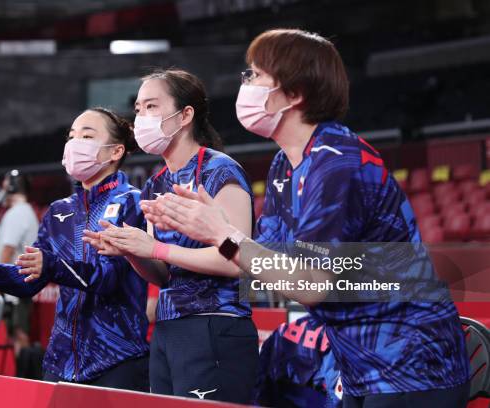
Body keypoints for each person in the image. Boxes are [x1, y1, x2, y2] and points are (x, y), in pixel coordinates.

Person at [144, 30, 470, 407]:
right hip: (359, 366)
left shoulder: (337, 162)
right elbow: (268, 260)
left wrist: (224, 236)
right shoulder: (285, 165)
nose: (244, 84)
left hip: (412, 364)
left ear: (295, 94)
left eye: (256, 75)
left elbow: (312, 285)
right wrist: (220, 228)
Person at [0, 107, 150, 391]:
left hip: (118, 360)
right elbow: (27, 279)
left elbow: (109, 278)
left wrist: (53, 265)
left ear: (115, 152)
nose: (74, 142)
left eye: (87, 135)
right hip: (61, 362)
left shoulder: (132, 202)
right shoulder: (59, 211)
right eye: (72, 136)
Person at [84, 69, 259, 404]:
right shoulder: (156, 182)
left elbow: (237, 262)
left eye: (151, 106)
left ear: (185, 115)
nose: (140, 118)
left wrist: (157, 248)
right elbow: (163, 275)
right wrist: (134, 250)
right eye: (137, 109)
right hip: (168, 328)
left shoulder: (220, 170)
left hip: (215, 325)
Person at [0, 169, 39, 355]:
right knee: (17, 333)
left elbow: (8, 249)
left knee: (20, 333)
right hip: (19, 282)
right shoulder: (23, 212)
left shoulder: (17, 213)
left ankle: (25, 376)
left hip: (17, 284)